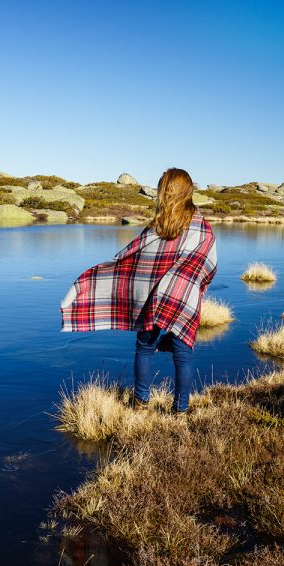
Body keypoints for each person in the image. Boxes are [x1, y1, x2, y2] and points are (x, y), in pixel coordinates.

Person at [60, 168, 218, 413]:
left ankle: (141, 402)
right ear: (188, 192)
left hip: (150, 298)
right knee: (182, 354)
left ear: (164, 192)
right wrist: (185, 286)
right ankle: (180, 410)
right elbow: (208, 267)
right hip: (182, 298)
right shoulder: (202, 228)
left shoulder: (156, 228)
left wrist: (89, 280)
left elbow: (126, 260)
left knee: (145, 348)